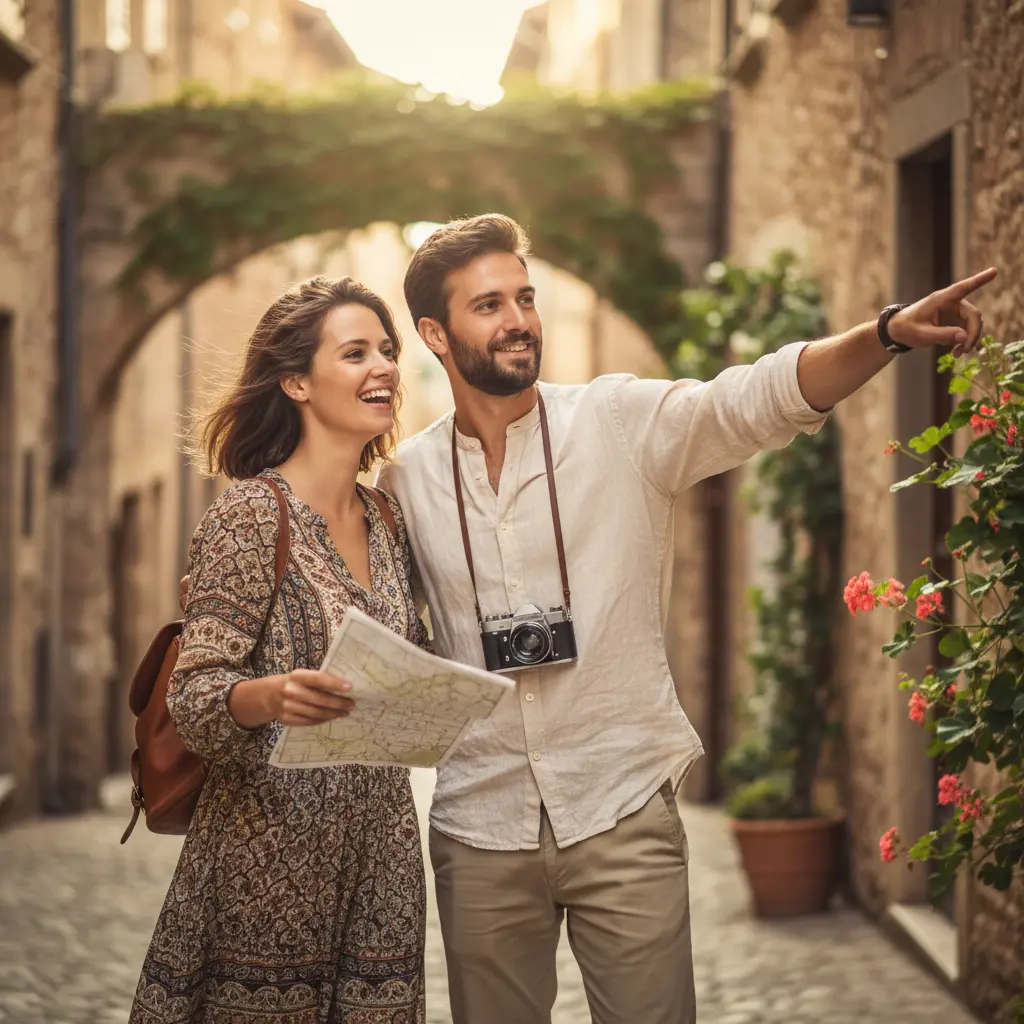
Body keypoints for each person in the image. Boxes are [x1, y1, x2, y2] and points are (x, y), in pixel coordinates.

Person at [376, 213, 996, 1024]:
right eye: (488, 304)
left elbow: (755, 400)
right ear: (434, 332)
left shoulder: (617, 421)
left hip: (622, 805)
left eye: (525, 297)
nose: (519, 319)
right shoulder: (406, 481)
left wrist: (883, 335)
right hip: (480, 828)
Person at [132, 277, 428, 1024]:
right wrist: (266, 696)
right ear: (296, 380)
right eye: (356, 352)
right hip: (266, 871)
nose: (384, 367)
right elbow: (194, 699)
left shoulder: (389, 520)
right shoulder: (248, 516)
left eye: (388, 351)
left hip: (383, 871)